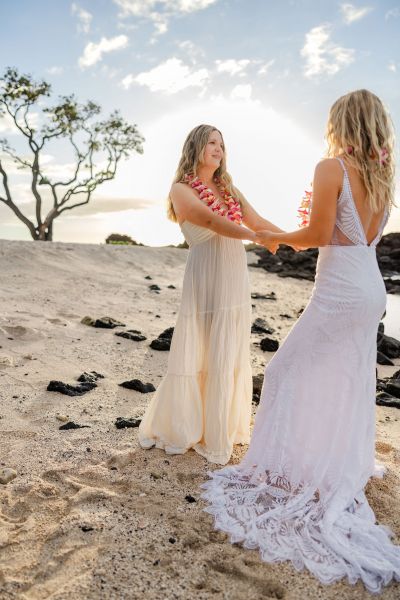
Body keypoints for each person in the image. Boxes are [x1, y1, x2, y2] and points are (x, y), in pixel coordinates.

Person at [201, 90, 400, 592]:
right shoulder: (383, 172)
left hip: (338, 291)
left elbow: (317, 234)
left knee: (283, 369)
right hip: (371, 289)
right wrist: (274, 230)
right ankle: (338, 457)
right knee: (349, 378)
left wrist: (274, 238)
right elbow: (353, 235)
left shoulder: (332, 167)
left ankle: (281, 467)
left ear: (341, 123)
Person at [138, 124, 282, 464]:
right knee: (202, 346)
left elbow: (257, 219)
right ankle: (187, 427)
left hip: (233, 271)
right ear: (196, 147)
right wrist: (258, 237)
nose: (219, 149)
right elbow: (211, 222)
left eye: (222, 143)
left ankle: (221, 429)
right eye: (212, 142)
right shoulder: (181, 189)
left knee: (227, 346)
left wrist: (297, 237)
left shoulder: (227, 186)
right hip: (206, 273)